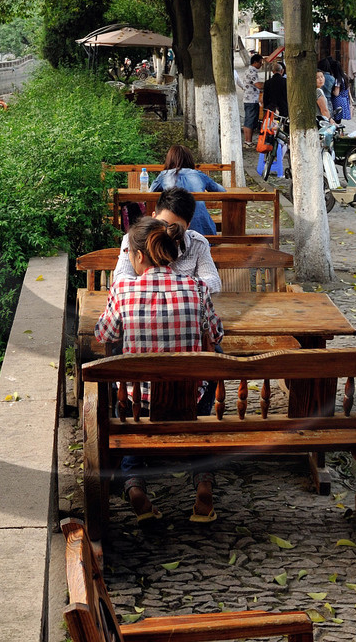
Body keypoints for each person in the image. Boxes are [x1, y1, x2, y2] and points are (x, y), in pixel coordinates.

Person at [95, 216, 225, 524]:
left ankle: (134, 486)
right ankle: (204, 483)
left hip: (141, 405)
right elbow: (217, 336)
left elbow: (103, 335)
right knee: (206, 383)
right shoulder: (196, 287)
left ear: (139, 256)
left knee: (127, 401)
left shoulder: (123, 291)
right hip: (189, 402)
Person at [152, 145, 228, 236]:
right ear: (189, 159)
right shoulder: (199, 175)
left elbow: (149, 193)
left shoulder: (164, 176)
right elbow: (221, 190)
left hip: (173, 232)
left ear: (169, 160)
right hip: (204, 231)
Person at [241, 53, 264, 150]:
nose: (261, 65)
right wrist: (267, 84)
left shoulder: (248, 71)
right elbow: (258, 85)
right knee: (249, 121)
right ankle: (248, 141)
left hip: (248, 98)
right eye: (260, 62)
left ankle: (247, 141)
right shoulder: (252, 72)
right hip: (251, 99)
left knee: (248, 120)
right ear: (255, 62)